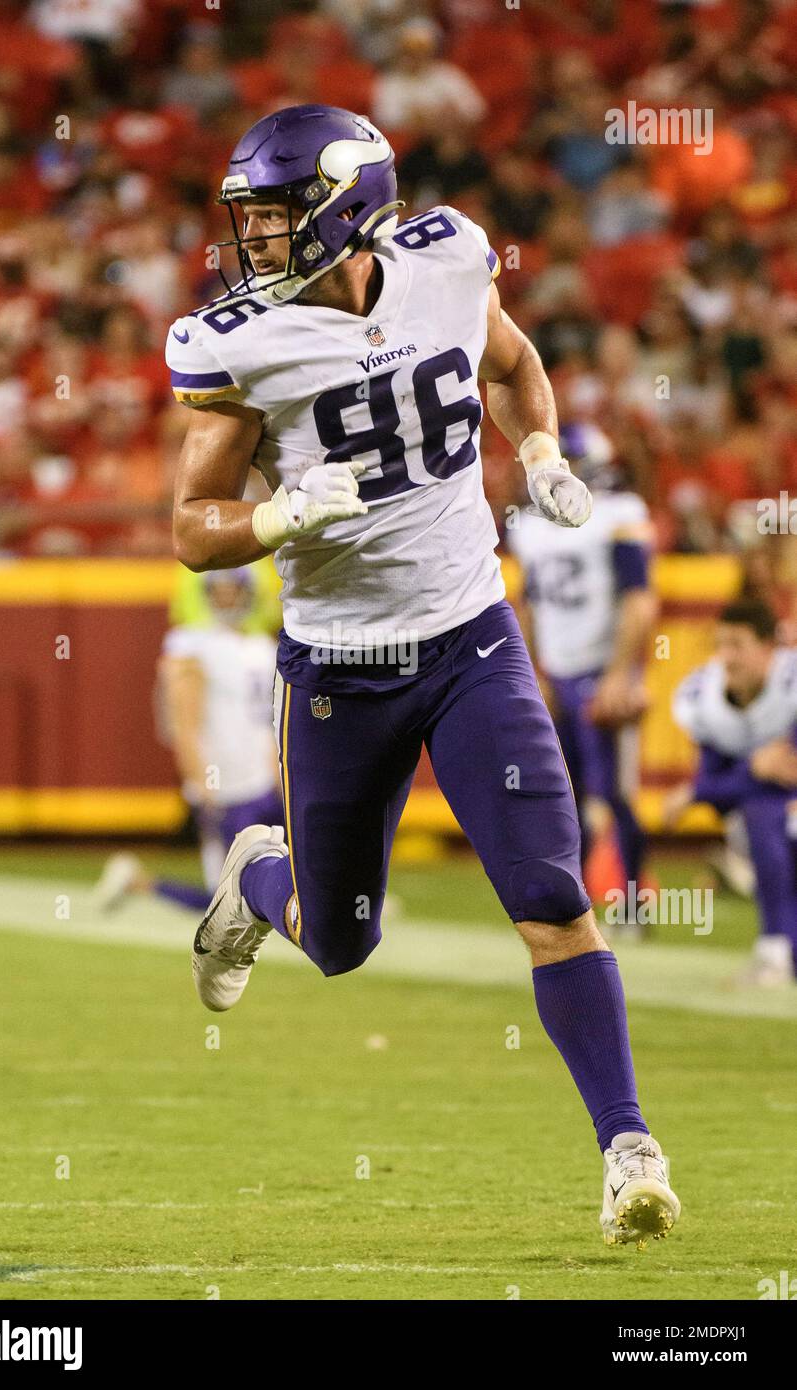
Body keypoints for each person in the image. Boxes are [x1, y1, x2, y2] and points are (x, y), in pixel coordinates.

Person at [166, 103, 680, 1248]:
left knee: (549, 896)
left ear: (345, 206)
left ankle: (626, 1146)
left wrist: (537, 447)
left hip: (469, 640)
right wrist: (279, 512)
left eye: (272, 215)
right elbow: (193, 530)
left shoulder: (447, 258)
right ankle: (259, 880)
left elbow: (514, 362)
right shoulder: (236, 341)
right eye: (243, 220)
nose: (250, 241)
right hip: (341, 668)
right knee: (340, 941)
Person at [507, 422, 656, 926]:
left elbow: (639, 601)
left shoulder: (618, 514)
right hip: (558, 670)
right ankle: (577, 904)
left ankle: (634, 907)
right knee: (561, 794)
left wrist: (620, 674)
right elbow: (526, 606)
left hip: (600, 666)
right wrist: (536, 676)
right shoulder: (529, 527)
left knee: (614, 792)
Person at [97, 568, 282, 915]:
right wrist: (198, 779)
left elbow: (273, 721)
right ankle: (139, 882)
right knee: (229, 899)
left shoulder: (264, 647)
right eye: (221, 591)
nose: (227, 598)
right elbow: (183, 721)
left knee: (283, 872)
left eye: (233, 590)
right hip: (225, 779)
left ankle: (346, 908)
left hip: (266, 777)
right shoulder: (192, 645)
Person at [669, 598, 797, 986]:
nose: (727, 657)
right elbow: (715, 787)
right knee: (761, 814)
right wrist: (753, 769)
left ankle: (777, 949)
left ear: (768, 648)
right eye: (720, 644)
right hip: (766, 817)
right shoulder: (705, 697)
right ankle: (778, 950)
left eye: (737, 645)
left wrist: (696, 792)